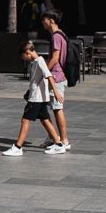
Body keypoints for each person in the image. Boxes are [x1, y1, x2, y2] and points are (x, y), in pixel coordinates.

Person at [2, 41, 64, 156]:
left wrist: (56, 93)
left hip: (36, 98)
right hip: (38, 96)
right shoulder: (35, 62)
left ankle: (18, 147)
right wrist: (29, 92)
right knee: (45, 120)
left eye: (24, 57)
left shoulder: (40, 61)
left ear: (28, 52)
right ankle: (59, 145)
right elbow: (36, 81)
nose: (24, 59)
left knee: (25, 120)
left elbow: (49, 76)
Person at [41, 11, 72, 150]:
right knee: (47, 107)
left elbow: (55, 58)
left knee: (57, 108)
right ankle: (53, 136)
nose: (43, 23)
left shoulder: (56, 37)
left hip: (56, 76)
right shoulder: (61, 34)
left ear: (51, 20)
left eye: (45, 20)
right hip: (58, 75)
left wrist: (44, 71)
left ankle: (64, 140)